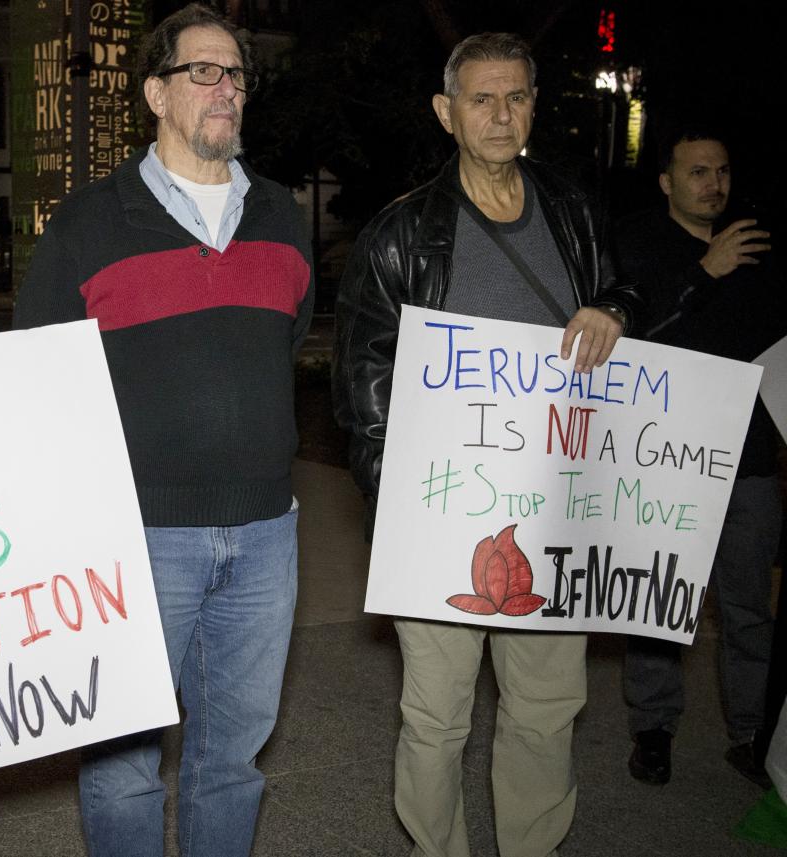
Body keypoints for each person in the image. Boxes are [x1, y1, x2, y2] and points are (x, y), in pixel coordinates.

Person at [13, 5, 313, 855]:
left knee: (234, 759)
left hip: (266, 538)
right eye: (204, 72)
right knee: (120, 764)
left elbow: (282, 343)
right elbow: (41, 379)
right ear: (155, 92)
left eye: (238, 76)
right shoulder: (86, 223)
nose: (227, 90)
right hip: (136, 538)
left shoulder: (284, 217)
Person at [333, 32, 640, 857]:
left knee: (545, 711)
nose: (500, 115)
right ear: (447, 112)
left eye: (515, 97)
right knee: (436, 717)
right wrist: (392, 498)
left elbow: (621, 286)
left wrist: (613, 307)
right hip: (439, 515)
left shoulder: (572, 210)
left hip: (553, 511)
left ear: (533, 109)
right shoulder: (400, 234)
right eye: (481, 98)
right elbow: (362, 381)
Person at [616, 127, 782, 789]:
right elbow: (630, 337)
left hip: (749, 460)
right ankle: (652, 729)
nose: (713, 183)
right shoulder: (634, 244)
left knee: (748, 607)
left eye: (721, 169)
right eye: (697, 171)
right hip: (667, 457)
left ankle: (753, 735)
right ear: (666, 181)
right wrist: (702, 273)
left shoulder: (760, 250)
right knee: (657, 602)